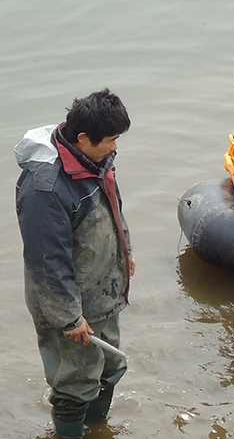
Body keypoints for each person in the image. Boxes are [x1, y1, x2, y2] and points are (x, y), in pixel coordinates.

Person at [14, 89, 134, 439]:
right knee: (75, 382)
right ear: (83, 137)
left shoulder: (94, 158)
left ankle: (98, 428)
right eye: (111, 140)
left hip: (103, 289)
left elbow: (113, 207)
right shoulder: (45, 190)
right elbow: (46, 262)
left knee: (111, 367)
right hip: (68, 305)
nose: (115, 147)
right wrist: (69, 317)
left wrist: (125, 253)